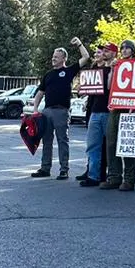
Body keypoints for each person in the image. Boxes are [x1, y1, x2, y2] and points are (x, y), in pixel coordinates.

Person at [30, 38, 91, 179]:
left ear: (64, 58)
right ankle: (45, 168)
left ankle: (64, 169)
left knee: (62, 140)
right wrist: (35, 109)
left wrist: (79, 44)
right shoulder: (48, 75)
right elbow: (40, 93)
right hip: (47, 111)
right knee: (46, 141)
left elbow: (86, 57)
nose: (53, 58)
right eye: (53, 56)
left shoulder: (69, 71)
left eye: (56, 56)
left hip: (61, 111)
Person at [101, 40, 135, 191]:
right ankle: (114, 177)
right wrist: (111, 70)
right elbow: (110, 86)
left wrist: (134, 106)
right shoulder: (117, 65)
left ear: (133, 50)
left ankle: (130, 179)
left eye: (127, 48)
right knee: (111, 143)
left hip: (129, 108)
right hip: (115, 107)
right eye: (122, 48)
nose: (124, 50)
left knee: (127, 144)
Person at [78, 43, 118, 187]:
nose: (104, 53)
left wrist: (113, 69)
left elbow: (110, 87)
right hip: (95, 111)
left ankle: (111, 176)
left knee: (109, 146)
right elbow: (87, 90)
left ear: (114, 53)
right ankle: (94, 176)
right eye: (103, 51)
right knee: (93, 145)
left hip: (109, 112)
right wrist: (83, 89)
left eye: (107, 51)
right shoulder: (96, 70)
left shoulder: (116, 69)